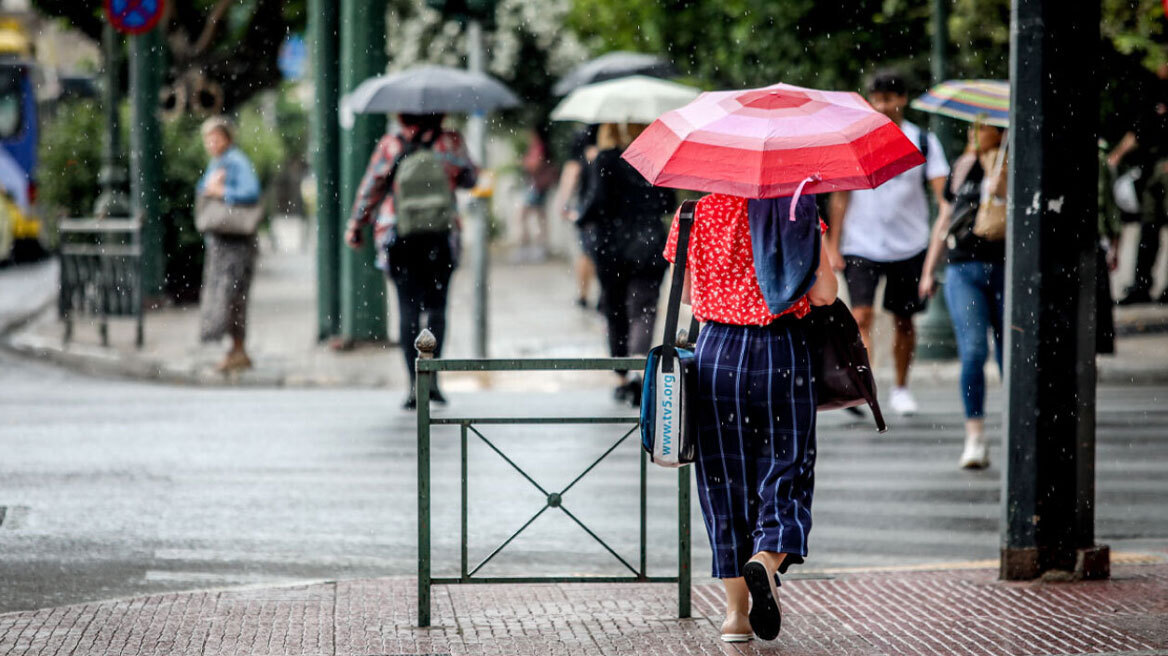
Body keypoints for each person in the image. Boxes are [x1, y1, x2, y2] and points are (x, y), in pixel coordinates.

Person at [665, 193, 837, 642]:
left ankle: (735, 617)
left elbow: (683, 292)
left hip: (715, 354)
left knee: (723, 482)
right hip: (780, 349)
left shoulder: (692, 212)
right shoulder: (796, 209)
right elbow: (824, 293)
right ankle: (766, 557)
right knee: (787, 468)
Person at [826, 70, 949, 416]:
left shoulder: (923, 141)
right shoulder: (857, 140)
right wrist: (834, 245)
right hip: (861, 242)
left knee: (904, 320)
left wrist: (942, 228)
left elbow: (942, 194)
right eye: (876, 99)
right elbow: (840, 197)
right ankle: (866, 385)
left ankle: (900, 386)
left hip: (908, 244)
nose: (881, 106)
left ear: (902, 100)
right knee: (861, 315)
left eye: (888, 98)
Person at [344, 113, 476, 409]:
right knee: (437, 308)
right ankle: (434, 381)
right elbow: (471, 178)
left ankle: (414, 384)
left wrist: (356, 224)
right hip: (441, 234)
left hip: (399, 234)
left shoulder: (392, 144)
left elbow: (372, 186)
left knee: (408, 308)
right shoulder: (450, 142)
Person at [919, 122, 1008, 469]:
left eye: (983, 127)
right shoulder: (962, 165)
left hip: (1005, 267)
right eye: (973, 126)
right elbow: (946, 218)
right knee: (972, 350)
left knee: (1009, 355)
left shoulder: (1012, 163)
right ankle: (975, 436)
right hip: (962, 268)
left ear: (1001, 133)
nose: (975, 132)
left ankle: (1016, 430)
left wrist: (1004, 190)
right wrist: (928, 269)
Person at [577, 123, 674, 404]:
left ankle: (621, 377)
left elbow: (596, 203)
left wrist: (579, 217)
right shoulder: (654, 157)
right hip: (649, 246)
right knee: (644, 309)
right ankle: (637, 370)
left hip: (613, 247)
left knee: (615, 310)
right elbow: (667, 203)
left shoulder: (606, 160)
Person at [196, 116, 261, 373]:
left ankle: (238, 349)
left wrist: (222, 193)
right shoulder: (219, 163)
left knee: (232, 295)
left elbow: (251, 192)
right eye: (208, 138)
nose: (211, 143)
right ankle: (235, 349)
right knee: (227, 295)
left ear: (227, 138)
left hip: (236, 242)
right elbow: (203, 189)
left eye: (216, 137)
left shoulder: (235, 161)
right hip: (223, 241)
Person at [552, 124, 600, 308]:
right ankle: (600, 294)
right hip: (607, 207)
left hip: (585, 206)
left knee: (586, 252)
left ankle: (583, 295)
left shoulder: (583, 135)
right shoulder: (614, 131)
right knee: (598, 252)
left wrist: (563, 203)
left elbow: (572, 170)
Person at [514, 125, 558, 261]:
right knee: (539, 217)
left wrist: (524, 162)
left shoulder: (538, 147)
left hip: (536, 186)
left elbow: (536, 165)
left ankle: (531, 248)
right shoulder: (539, 147)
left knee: (525, 216)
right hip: (538, 186)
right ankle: (538, 248)